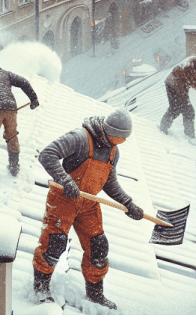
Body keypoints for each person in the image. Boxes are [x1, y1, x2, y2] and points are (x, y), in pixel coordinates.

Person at [32, 108, 144, 311]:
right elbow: (47, 154)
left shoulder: (113, 151)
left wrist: (128, 203)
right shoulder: (80, 138)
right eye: (119, 138)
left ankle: (95, 294)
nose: (121, 142)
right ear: (109, 130)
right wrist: (65, 180)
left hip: (88, 204)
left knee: (98, 246)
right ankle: (40, 287)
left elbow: (109, 183)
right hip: (64, 199)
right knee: (54, 244)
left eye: (123, 139)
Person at [158, 55, 196, 143]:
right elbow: (192, 78)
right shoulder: (193, 61)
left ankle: (163, 127)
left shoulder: (193, 63)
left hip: (174, 85)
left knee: (177, 108)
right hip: (175, 85)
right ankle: (189, 136)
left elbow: (191, 78)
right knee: (187, 110)